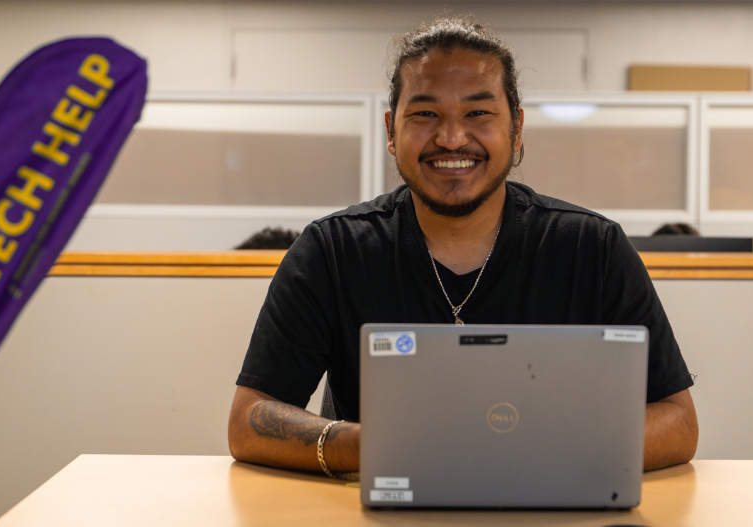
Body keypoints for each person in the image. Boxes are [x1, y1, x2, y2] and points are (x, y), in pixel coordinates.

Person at [228, 16, 698, 477]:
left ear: (516, 128)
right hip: (389, 503)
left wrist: (533, 454)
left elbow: (677, 422)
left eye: (478, 112)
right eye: (426, 114)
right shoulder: (332, 251)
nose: (452, 137)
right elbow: (250, 419)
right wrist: (372, 447)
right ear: (392, 130)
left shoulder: (591, 248)